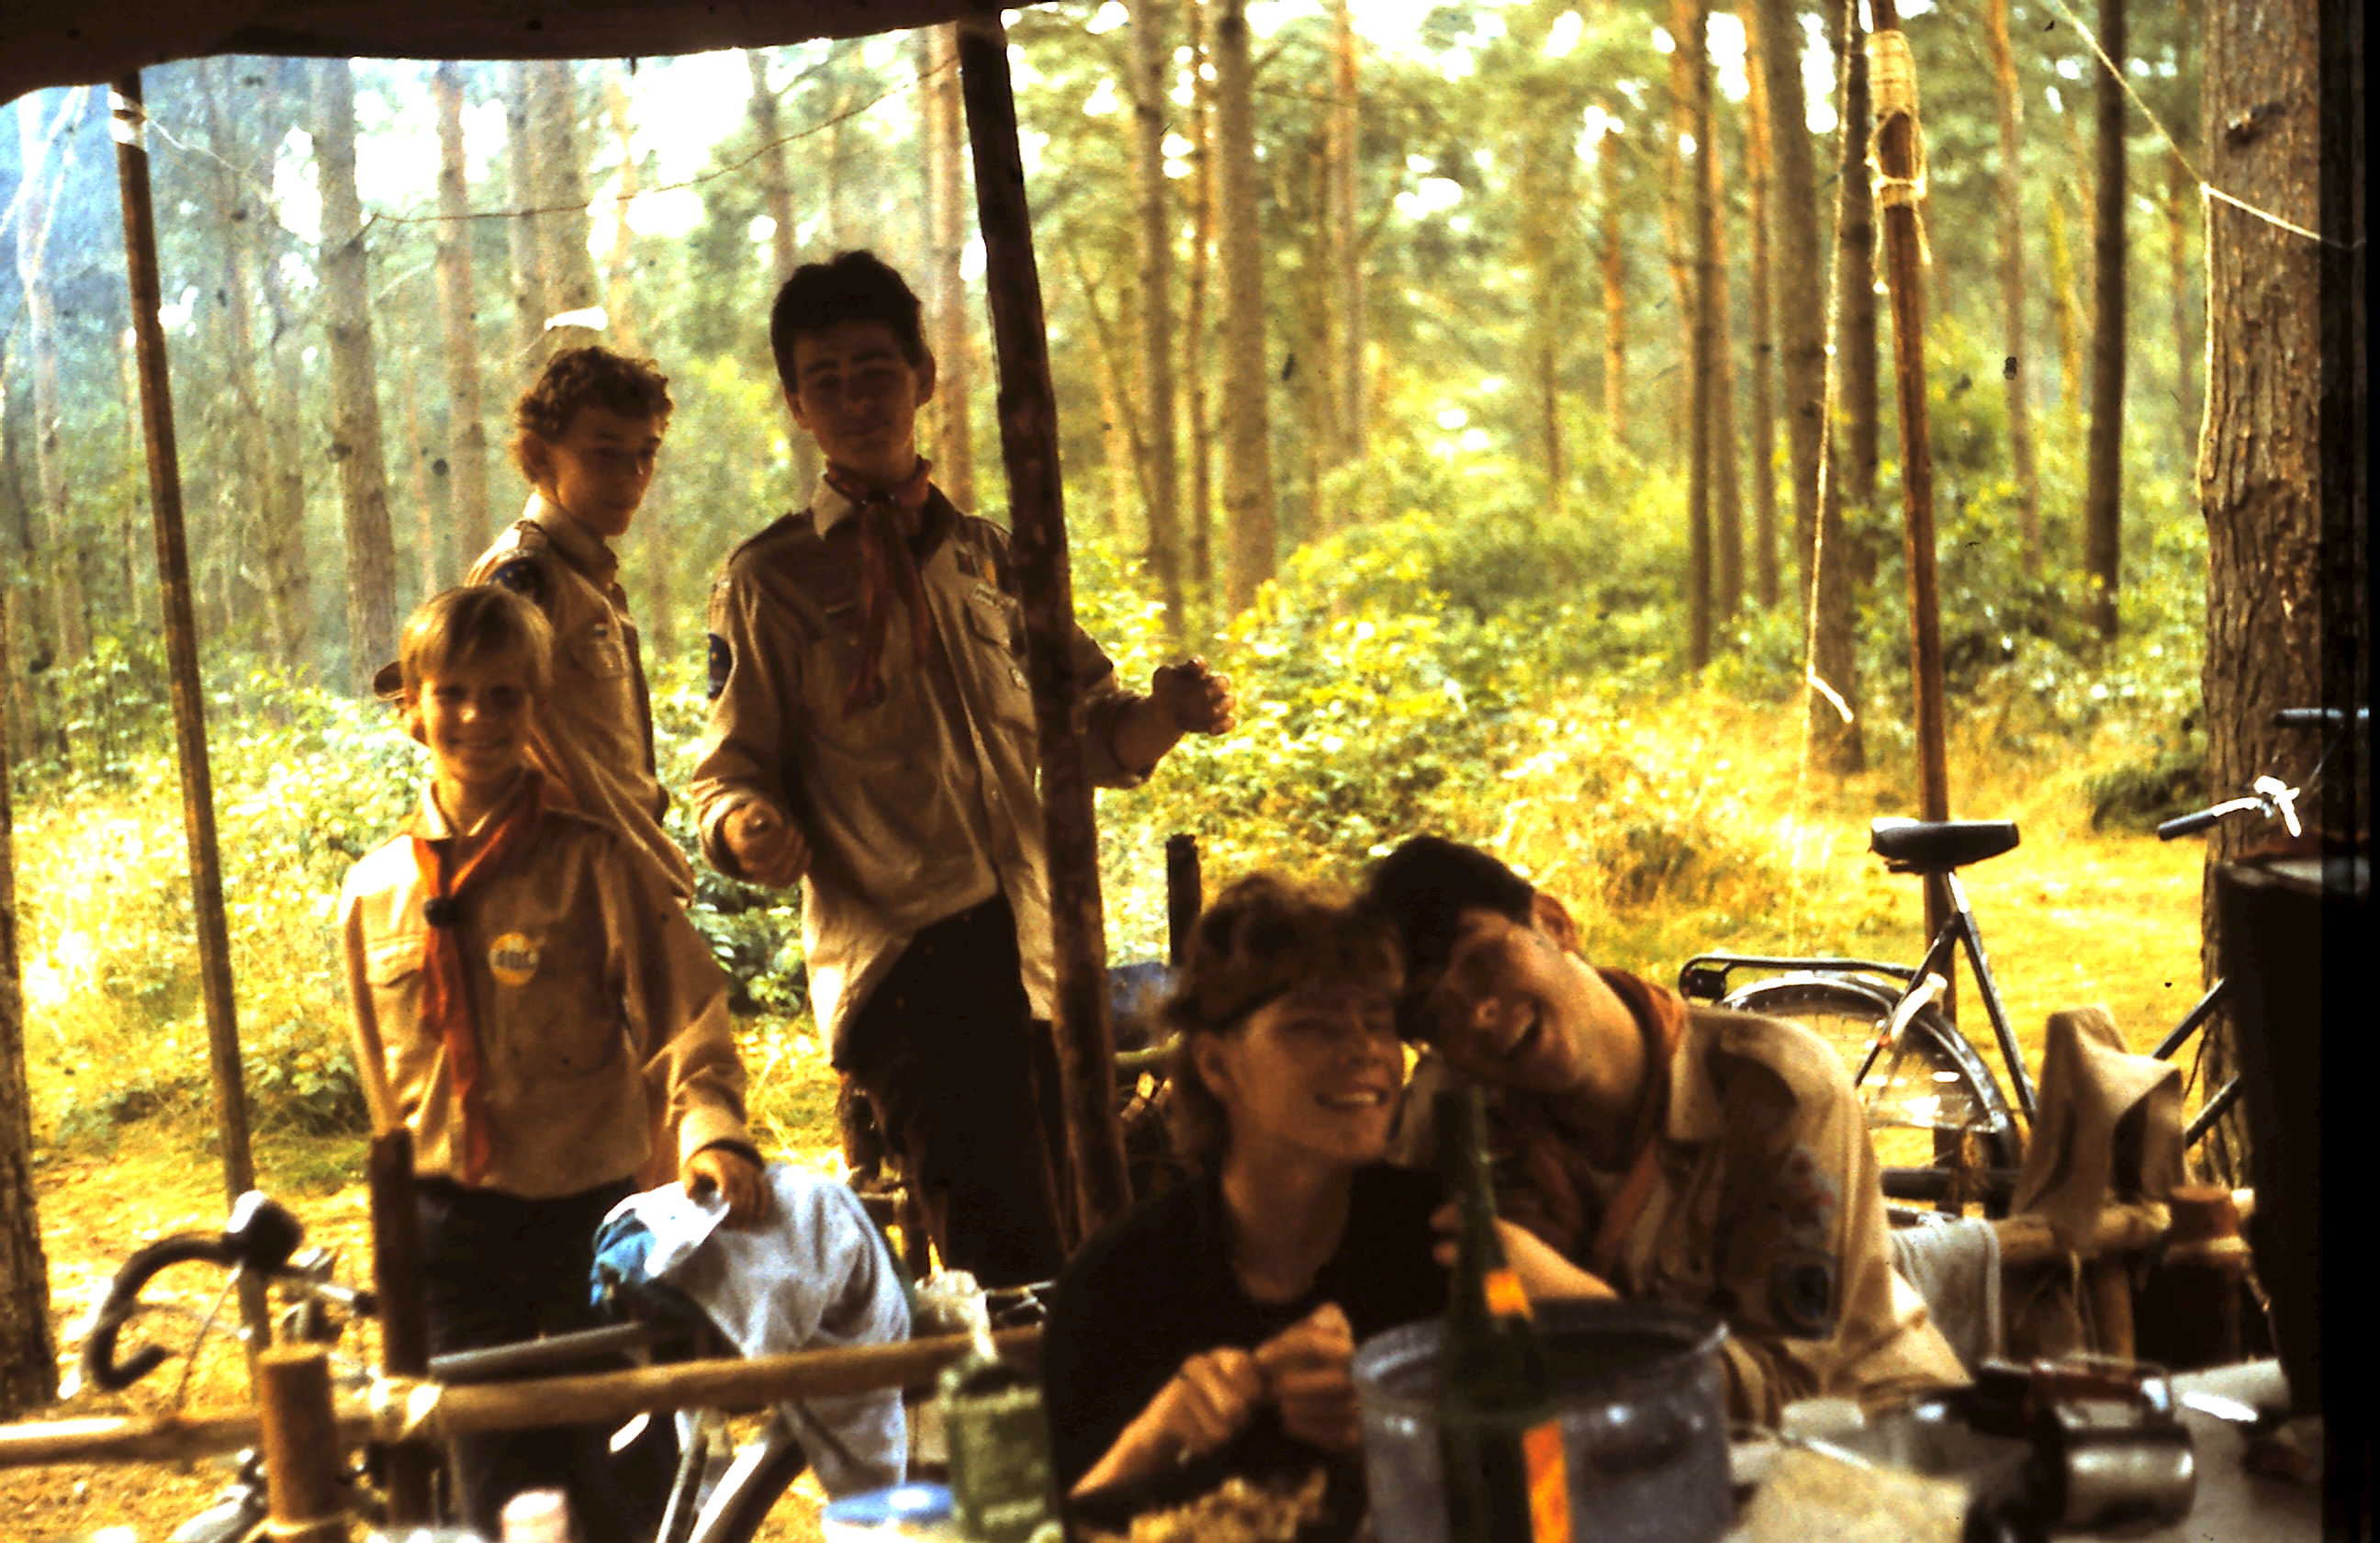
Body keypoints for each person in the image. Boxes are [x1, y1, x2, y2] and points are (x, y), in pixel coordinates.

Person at [688, 250, 1234, 1287]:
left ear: (925, 377)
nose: (856, 399)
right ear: (797, 407)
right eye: (826, 381)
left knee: (1091, 1239)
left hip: (1041, 956)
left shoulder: (994, 557)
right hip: (910, 967)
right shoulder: (770, 580)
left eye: (875, 370)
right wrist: (748, 826)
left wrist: (1167, 716)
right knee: (1009, 1261)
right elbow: (728, 774)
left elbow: (1091, 737)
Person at [339, 585, 767, 1540]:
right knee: (490, 1489)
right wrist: (400, 1239)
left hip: (587, 1224)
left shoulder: (593, 864)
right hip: (450, 1237)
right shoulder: (373, 893)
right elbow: (383, 1093)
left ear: (536, 709)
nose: (477, 718)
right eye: (452, 694)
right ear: (412, 710)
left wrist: (712, 1132)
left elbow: (683, 1010)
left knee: (620, 1472)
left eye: (504, 695)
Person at [1039, 873, 1600, 1542]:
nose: (1363, 1050)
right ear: (1216, 1066)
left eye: (1378, 1023)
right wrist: (1155, 1438)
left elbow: (1555, 1496)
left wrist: (1388, 1436)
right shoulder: (1119, 1284)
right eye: (1313, 1026)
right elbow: (1046, 1531)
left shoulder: (1445, 1250)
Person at [1360, 835, 1970, 1426]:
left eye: (1482, 961)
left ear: (1553, 923)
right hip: (1629, 1448)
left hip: (1873, 1431)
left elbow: (1792, 1391)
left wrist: (1587, 1317)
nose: (1477, 1013)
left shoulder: (1777, 1090)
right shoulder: (1456, 1115)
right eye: (1436, 1014)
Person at [461, 344, 694, 905]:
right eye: (605, 454)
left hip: (627, 882)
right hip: (571, 892)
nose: (633, 476)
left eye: (646, 453)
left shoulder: (584, 576)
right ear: (539, 456)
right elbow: (474, 739)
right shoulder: (526, 575)